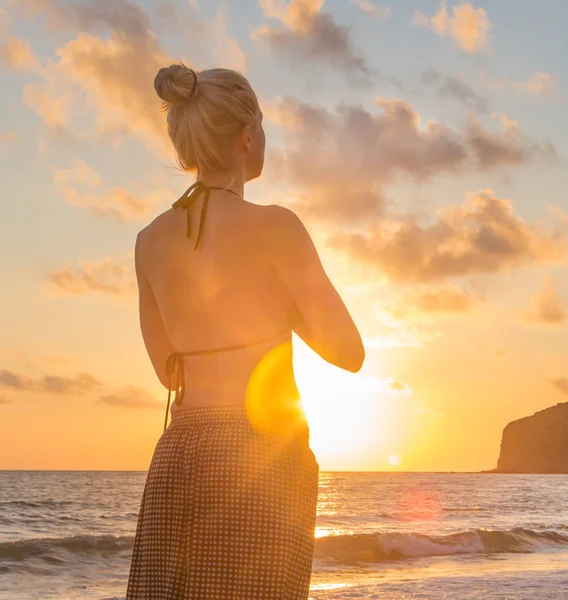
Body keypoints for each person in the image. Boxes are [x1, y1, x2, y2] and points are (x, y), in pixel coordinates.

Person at [125, 63, 364, 600]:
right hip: (261, 452)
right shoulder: (278, 226)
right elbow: (350, 352)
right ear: (247, 135)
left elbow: (167, 370)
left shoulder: (148, 241)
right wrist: (285, 310)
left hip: (180, 449)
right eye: (264, 125)